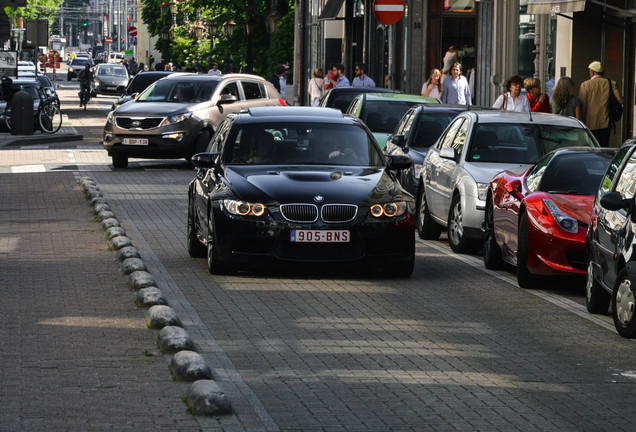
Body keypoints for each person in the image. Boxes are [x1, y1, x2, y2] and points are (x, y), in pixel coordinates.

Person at [579, 60, 623, 147]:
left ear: (592, 72)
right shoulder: (611, 83)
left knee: (592, 148)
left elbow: (582, 106)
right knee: (604, 147)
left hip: (590, 123)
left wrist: (582, 121)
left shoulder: (585, 85)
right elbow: (620, 100)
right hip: (606, 122)